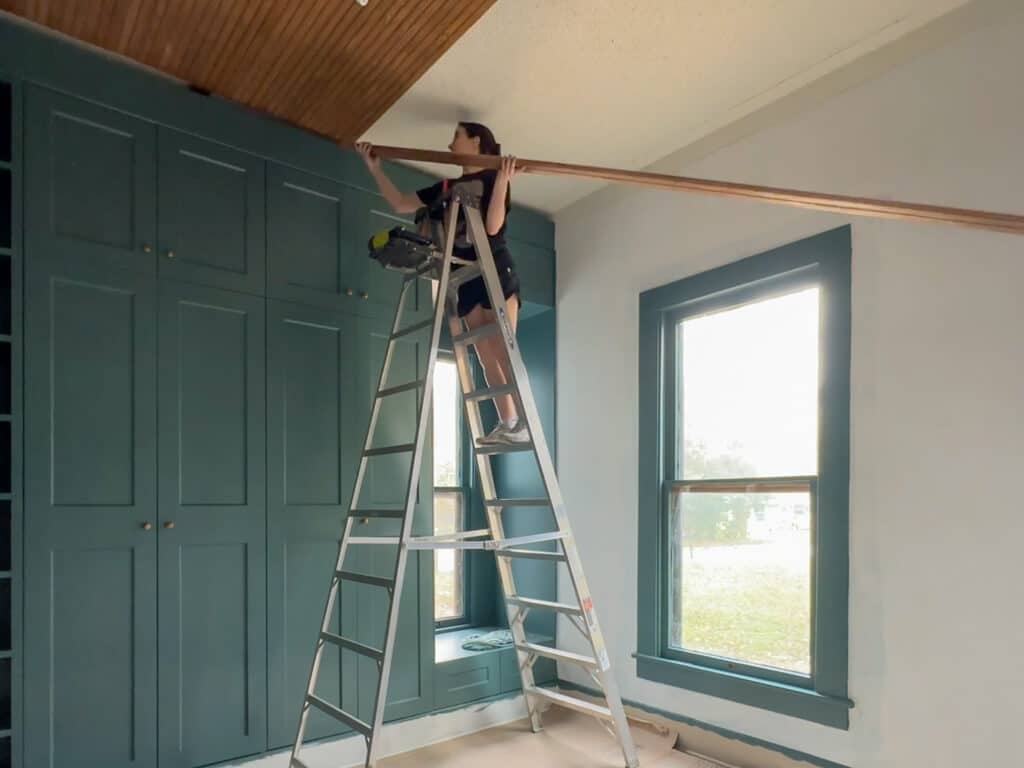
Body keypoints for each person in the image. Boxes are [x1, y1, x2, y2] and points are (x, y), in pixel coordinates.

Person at [355, 123, 527, 445]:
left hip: (494, 268)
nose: (450, 145)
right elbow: (401, 203)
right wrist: (374, 169)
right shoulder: (448, 186)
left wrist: (503, 180)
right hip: (466, 275)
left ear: (476, 141)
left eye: (456, 137)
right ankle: (509, 421)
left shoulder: (493, 177)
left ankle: (525, 423)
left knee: (503, 349)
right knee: (484, 354)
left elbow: (492, 227)